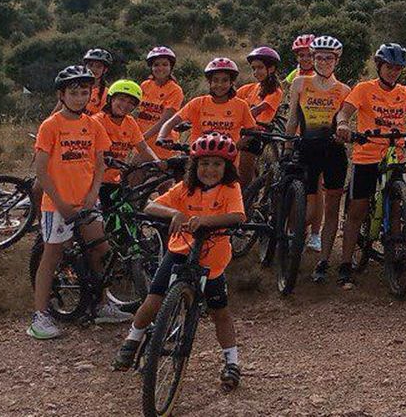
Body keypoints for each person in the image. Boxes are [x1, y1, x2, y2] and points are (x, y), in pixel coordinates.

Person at [111, 132, 247, 391]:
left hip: (213, 259)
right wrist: (174, 212)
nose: (210, 169)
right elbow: (152, 207)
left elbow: (238, 215)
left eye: (217, 164)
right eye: (204, 164)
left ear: (227, 168)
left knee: (220, 313)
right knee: (153, 300)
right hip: (180, 250)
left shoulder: (231, 189)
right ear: (195, 166)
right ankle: (133, 339)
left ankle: (231, 360)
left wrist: (205, 221)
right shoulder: (186, 188)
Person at [332, 44, 406, 290]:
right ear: (379, 66)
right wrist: (343, 125)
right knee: (357, 210)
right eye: (389, 67)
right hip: (367, 156)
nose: (393, 72)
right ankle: (346, 264)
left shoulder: (404, 92)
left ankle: (396, 258)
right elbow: (345, 112)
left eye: (397, 68)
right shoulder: (363, 89)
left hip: (395, 155)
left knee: (396, 209)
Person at [29, 66, 127, 339]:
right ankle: (39, 316)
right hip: (57, 204)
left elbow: (98, 165)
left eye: (84, 92)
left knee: (100, 250)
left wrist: (92, 195)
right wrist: (60, 202)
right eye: (73, 92)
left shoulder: (94, 124)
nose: (79, 97)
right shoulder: (51, 126)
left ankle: (103, 303)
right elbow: (41, 170)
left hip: (87, 203)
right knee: (52, 256)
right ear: (62, 94)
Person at [285, 35, 351, 282]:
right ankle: (295, 247)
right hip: (306, 149)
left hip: (333, 151)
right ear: (312, 59)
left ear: (337, 60)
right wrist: (288, 146)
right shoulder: (300, 83)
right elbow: (292, 118)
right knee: (310, 206)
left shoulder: (344, 90)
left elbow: (344, 121)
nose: (324, 62)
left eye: (329, 58)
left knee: (333, 205)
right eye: (319, 57)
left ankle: (323, 259)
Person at [158, 59, 252, 151]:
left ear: (231, 83)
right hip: (198, 160)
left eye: (225, 80)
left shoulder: (241, 105)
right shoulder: (197, 103)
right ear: (209, 82)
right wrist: (161, 138)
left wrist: (236, 147)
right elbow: (171, 122)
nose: (219, 85)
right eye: (215, 80)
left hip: (228, 162)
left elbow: (251, 130)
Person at [95, 80, 159, 200]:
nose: (125, 105)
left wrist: (158, 163)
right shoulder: (97, 121)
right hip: (94, 182)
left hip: (114, 182)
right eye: (121, 99)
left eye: (131, 102)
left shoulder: (130, 122)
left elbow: (143, 147)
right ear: (111, 99)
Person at [236, 47, 284, 184]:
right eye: (253, 68)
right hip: (243, 131)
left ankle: (244, 203)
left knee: (242, 176)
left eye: (260, 68)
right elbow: (231, 98)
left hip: (256, 134)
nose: (256, 72)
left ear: (272, 68)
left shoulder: (275, 91)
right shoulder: (251, 88)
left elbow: (257, 110)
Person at [139, 47, 185, 154]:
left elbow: (165, 121)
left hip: (163, 144)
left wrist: (142, 138)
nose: (160, 68)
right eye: (156, 65)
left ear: (171, 67)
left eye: (165, 64)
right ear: (151, 67)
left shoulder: (175, 90)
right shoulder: (145, 85)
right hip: (143, 145)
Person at [83, 48, 113, 114]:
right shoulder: (74, 87)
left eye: (98, 66)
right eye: (90, 65)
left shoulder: (107, 94)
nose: (93, 69)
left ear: (105, 70)